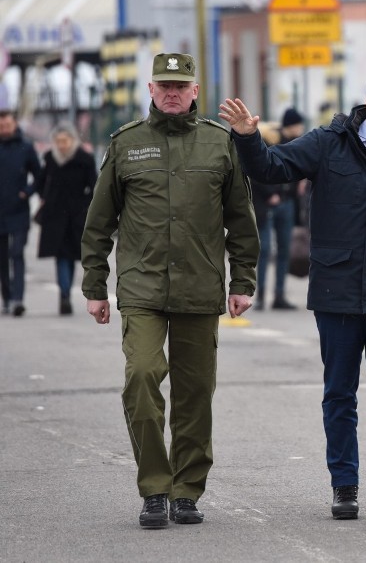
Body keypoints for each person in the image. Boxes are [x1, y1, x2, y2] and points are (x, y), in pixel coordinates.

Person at [218, 71, 366, 523]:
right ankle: (345, 486)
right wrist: (248, 137)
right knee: (339, 393)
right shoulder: (328, 141)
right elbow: (270, 168)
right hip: (336, 289)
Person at [81, 53, 259, 528]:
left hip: (200, 287)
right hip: (141, 286)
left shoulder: (220, 144)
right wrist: (94, 285)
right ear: (151, 89)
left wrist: (242, 281)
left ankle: (187, 490)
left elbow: (242, 221)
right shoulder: (127, 144)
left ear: (195, 91)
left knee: (195, 393)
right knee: (140, 376)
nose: (173, 92)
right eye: (165, 85)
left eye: (181, 85)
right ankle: (155, 487)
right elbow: (99, 222)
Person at [34, 124, 97, 315]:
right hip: (54, 216)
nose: (61, 145)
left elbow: (94, 186)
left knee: (70, 257)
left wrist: (84, 206)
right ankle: (64, 295)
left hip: (76, 217)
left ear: (72, 140)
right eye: (58, 141)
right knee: (61, 257)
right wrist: (46, 198)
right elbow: (40, 182)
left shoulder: (84, 159)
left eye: (65, 141)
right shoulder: (50, 159)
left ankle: (65, 292)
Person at [251, 109, 304, 310]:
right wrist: (269, 193)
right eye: (298, 125)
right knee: (264, 250)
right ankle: (261, 295)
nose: (300, 129)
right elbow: (257, 170)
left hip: (287, 203)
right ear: (291, 125)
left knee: (284, 250)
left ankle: (279, 295)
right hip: (267, 205)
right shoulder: (270, 140)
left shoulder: (298, 144)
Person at [0, 109, 41, 317]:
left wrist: (28, 192)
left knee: (16, 254)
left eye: (7, 125)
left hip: (18, 212)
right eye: (1, 126)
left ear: (14, 125)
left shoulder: (25, 147)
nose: (4, 129)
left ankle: (18, 299)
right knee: (2, 258)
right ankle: (6, 298)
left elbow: (39, 175)